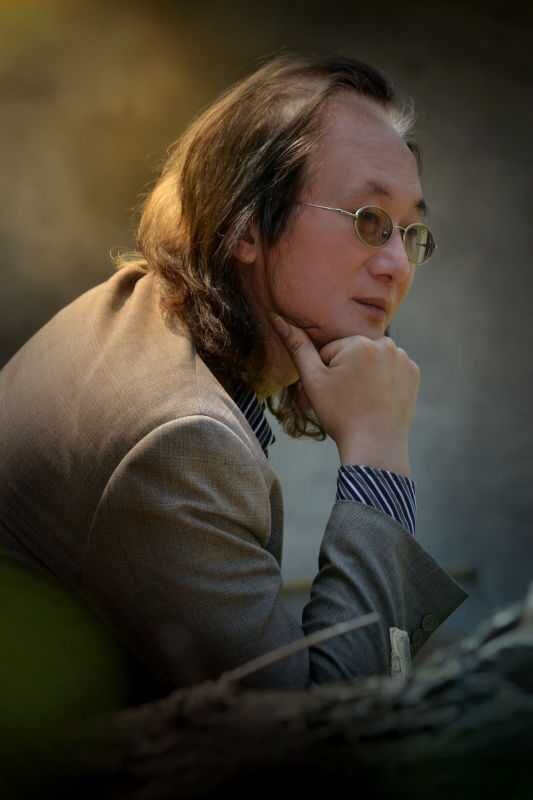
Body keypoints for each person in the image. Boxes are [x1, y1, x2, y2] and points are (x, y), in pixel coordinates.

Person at [0, 54, 467, 697]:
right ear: (245, 223)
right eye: (368, 220)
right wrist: (378, 454)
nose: (397, 264)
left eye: (410, 232)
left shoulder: (145, 312)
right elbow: (326, 726)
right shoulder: (180, 440)